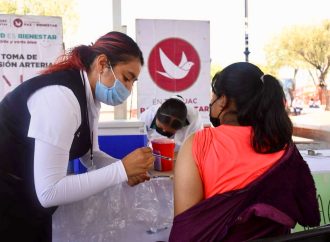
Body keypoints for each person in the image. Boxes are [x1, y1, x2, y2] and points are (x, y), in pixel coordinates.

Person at [0, 31, 154, 242]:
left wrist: (125, 170)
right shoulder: (61, 97)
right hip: (8, 202)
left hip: (27, 200)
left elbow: (91, 155)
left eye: (133, 82)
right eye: (127, 78)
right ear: (102, 63)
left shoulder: (89, 96)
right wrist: (121, 170)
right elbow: (49, 192)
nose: (128, 89)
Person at [169, 62, 320, 241]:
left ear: (223, 100)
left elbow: (189, 231)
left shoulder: (198, 143)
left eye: (213, 95)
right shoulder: (283, 145)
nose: (211, 102)